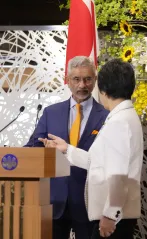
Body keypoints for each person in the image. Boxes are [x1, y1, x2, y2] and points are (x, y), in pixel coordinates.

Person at [39, 59, 143, 239]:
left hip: (113, 216)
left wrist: (110, 214)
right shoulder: (126, 116)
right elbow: (99, 162)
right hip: (116, 212)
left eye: (88, 79)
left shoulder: (118, 121)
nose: (82, 85)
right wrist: (67, 149)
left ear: (101, 88)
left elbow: (119, 175)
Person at [25, 56, 109, 239]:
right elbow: (32, 147)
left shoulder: (107, 117)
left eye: (87, 79)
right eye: (76, 79)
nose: (82, 85)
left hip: (89, 203)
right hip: (55, 201)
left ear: (94, 80)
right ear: (67, 81)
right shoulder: (50, 113)